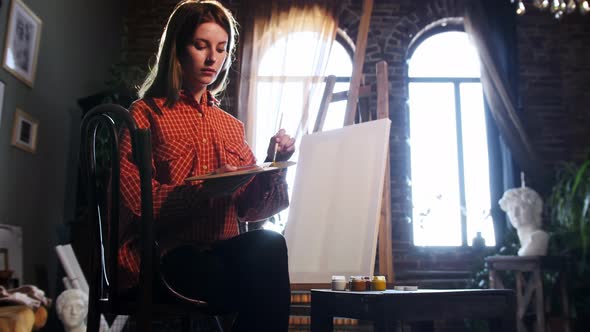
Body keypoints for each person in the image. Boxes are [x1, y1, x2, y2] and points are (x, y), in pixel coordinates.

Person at [117, 1, 296, 331]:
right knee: (247, 283)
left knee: (270, 245)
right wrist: (204, 191)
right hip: (167, 256)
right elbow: (135, 204)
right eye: (200, 46)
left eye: (221, 49)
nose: (213, 58)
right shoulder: (144, 114)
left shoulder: (230, 126)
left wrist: (275, 163)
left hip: (222, 252)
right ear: (178, 48)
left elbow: (250, 210)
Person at [498, 186, 549, 256]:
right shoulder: (525, 242)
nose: (515, 214)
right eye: (511, 209)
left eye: (521, 207)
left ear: (534, 209)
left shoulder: (538, 238)